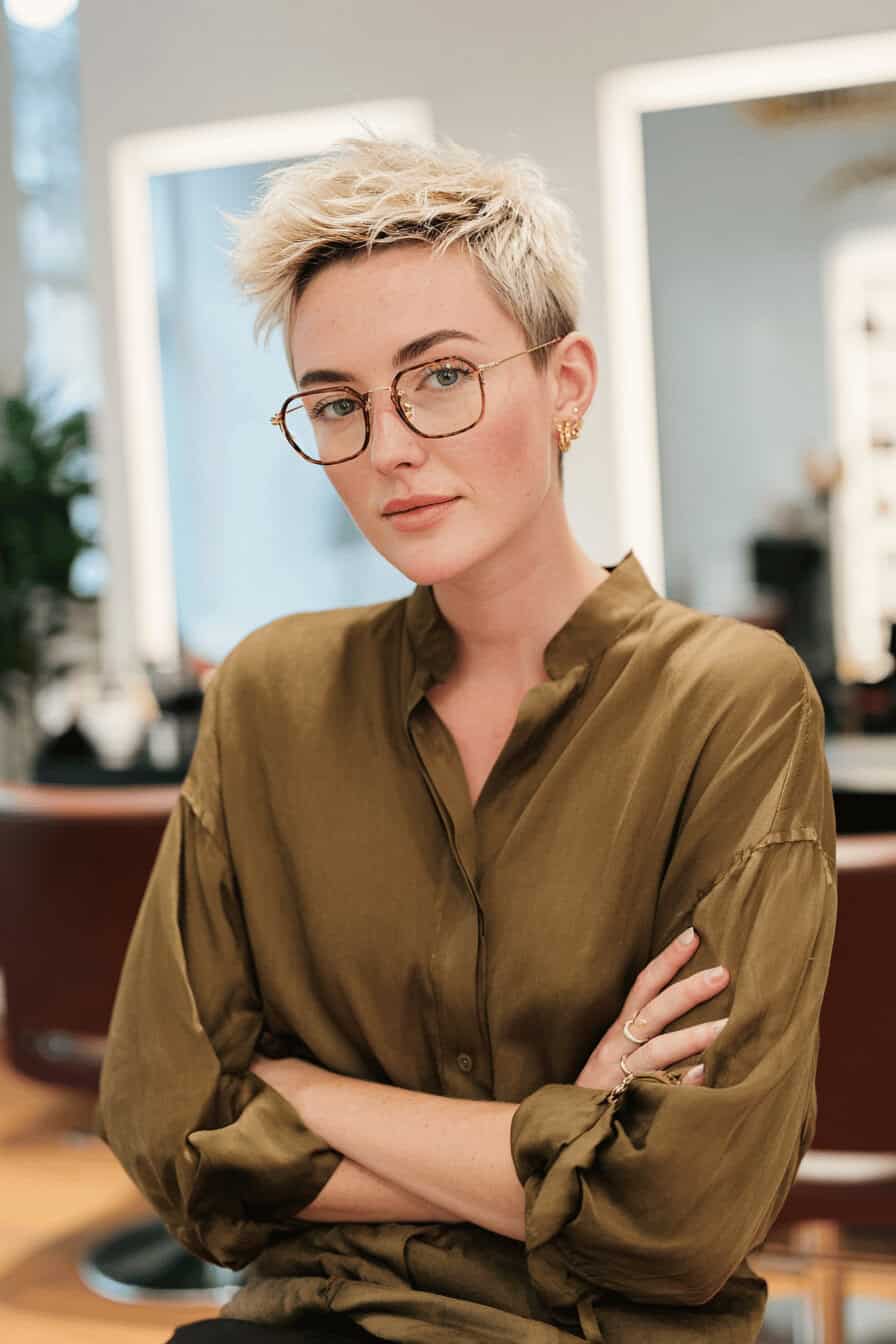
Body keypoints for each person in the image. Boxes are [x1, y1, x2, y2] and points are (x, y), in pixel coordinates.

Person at [94, 136, 837, 1344]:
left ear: (565, 385)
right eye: (337, 402)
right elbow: (170, 1132)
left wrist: (310, 1095)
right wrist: (558, 1142)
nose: (386, 444)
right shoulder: (271, 696)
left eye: (439, 377)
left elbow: (683, 1211)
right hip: (305, 1319)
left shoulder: (728, 701)